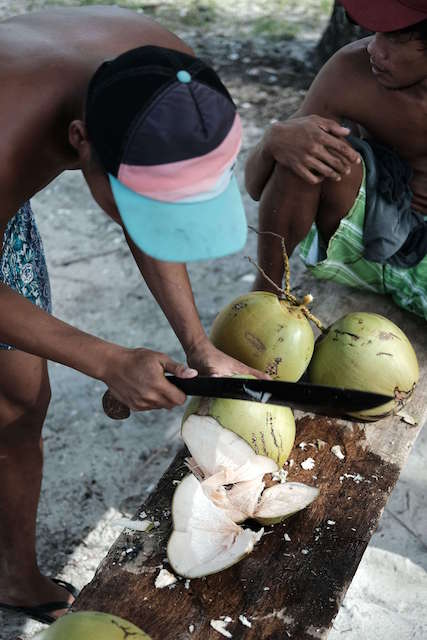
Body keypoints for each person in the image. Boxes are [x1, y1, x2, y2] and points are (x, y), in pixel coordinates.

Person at [0, 5, 269, 625]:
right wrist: (108, 361)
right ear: (78, 140)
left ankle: (13, 574)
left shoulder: (170, 87)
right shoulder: (10, 139)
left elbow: (150, 198)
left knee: (15, 403)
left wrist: (198, 344)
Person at [245, 0, 427, 320]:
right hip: (363, 240)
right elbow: (255, 186)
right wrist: (274, 141)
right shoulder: (350, 71)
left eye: (396, 39)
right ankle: (266, 299)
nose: (375, 49)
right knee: (308, 147)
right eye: (377, 32)